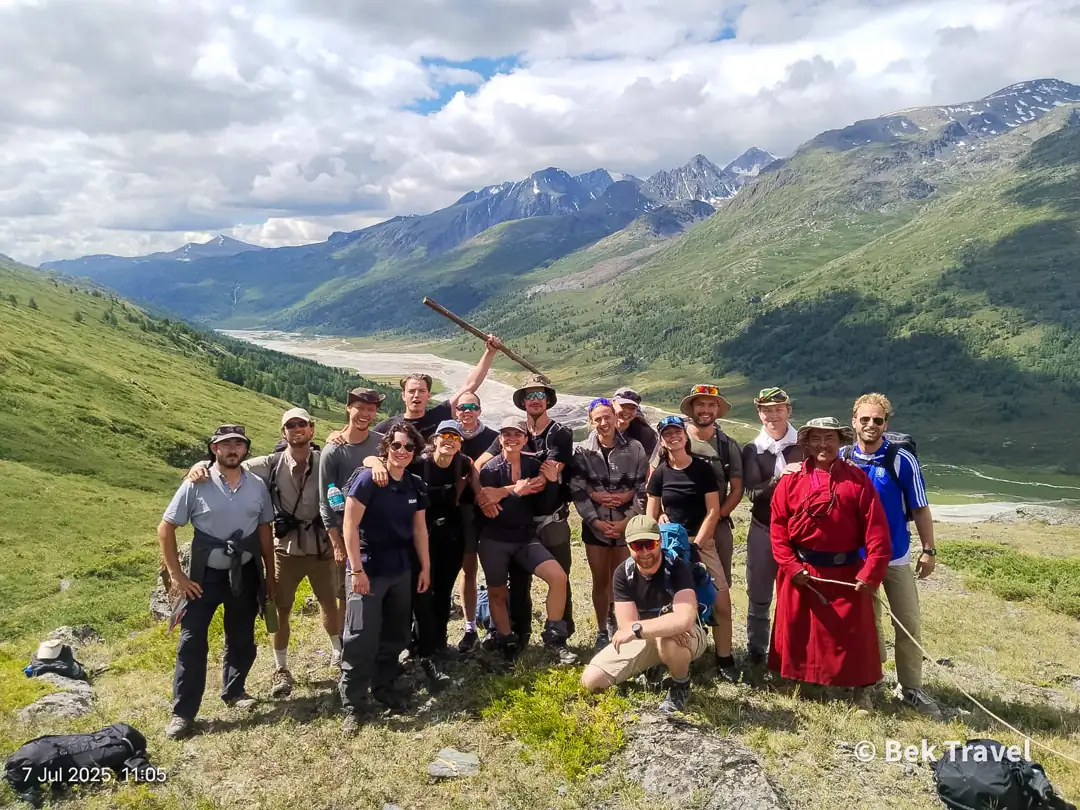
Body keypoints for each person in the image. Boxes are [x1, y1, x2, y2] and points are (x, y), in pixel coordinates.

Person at [185, 408, 337, 699]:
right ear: (283, 432)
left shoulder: (325, 460)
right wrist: (201, 464)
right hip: (286, 548)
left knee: (330, 602)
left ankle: (337, 653)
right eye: (290, 425)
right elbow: (230, 465)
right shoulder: (270, 463)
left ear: (312, 429)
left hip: (321, 546)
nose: (296, 429)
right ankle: (281, 668)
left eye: (302, 424)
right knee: (280, 608)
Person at [159, 425, 275, 740]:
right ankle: (183, 714)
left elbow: (265, 531)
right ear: (214, 449)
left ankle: (235, 692)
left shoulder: (257, 486)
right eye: (226, 444)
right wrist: (177, 576)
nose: (233, 449)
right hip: (203, 577)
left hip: (245, 573)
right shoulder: (195, 484)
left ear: (246, 450)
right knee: (191, 642)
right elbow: (166, 528)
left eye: (239, 443)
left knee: (242, 637)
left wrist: (270, 575)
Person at [769, 417, 892, 709]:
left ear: (841, 442)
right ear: (807, 443)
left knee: (853, 635)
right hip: (801, 571)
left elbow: (877, 531)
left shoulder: (857, 479)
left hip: (847, 573)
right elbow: (778, 529)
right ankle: (804, 682)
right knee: (801, 630)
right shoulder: (791, 480)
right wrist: (791, 566)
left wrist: (870, 573)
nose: (823, 445)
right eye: (816, 439)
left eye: (830, 439)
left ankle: (860, 691)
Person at [845, 393, 941, 717]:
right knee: (864, 626)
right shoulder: (843, 459)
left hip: (896, 557)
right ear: (853, 421)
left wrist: (928, 550)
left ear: (886, 423)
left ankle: (911, 689)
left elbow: (920, 508)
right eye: (865, 419)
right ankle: (866, 688)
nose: (871, 425)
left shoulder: (902, 460)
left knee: (908, 624)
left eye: (878, 420)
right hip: (857, 560)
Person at [362, 419, 471, 689]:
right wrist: (375, 463)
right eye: (444, 435)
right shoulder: (417, 462)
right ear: (434, 439)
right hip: (420, 539)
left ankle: (437, 646)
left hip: (450, 538)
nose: (449, 440)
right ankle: (420, 649)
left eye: (455, 437)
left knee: (443, 594)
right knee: (421, 596)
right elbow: (377, 460)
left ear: (460, 444)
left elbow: (472, 495)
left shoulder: (464, 464)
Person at [339, 423, 431, 734]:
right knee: (360, 637)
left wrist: (426, 567)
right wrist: (356, 571)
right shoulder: (367, 479)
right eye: (396, 446)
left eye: (409, 447)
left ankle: (384, 688)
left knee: (394, 633)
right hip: (368, 568)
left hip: (401, 569)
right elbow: (349, 526)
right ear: (386, 448)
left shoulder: (414, 484)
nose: (402, 452)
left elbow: (419, 529)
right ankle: (353, 703)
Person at [476, 374, 576, 648]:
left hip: (549, 516)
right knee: (519, 583)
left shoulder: (560, 433)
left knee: (559, 575)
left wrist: (502, 491)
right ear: (522, 401)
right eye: (528, 395)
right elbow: (479, 467)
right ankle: (518, 636)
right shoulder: (515, 432)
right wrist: (483, 493)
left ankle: (559, 637)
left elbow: (544, 479)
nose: (534, 400)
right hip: (518, 523)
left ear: (548, 400)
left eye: (539, 395)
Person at [581, 515, 709, 715]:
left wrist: (646, 628)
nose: (644, 552)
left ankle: (680, 685)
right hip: (646, 637)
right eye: (637, 545)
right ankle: (652, 669)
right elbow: (626, 624)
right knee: (592, 680)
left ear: (660, 541)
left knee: (669, 640)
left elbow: (684, 620)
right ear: (628, 545)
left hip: (689, 636)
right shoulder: (623, 573)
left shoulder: (677, 568)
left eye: (650, 544)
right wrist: (664, 625)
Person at [646, 415, 737, 682]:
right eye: (667, 434)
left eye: (677, 432)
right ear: (662, 440)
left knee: (722, 602)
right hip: (670, 544)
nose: (673, 437)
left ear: (685, 437)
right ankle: (662, 656)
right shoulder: (660, 472)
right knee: (664, 602)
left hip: (702, 541)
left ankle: (725, 658)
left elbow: (713, 511)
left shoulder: (702, 470)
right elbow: (651, 513)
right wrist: (661, 519)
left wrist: (697, 544)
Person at [570, 397, 649, 651]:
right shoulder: (582, 451)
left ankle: (620, 624)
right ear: (591, 422)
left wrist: (628, 520)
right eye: (598, 419)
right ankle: (602, 629)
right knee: (599, 580)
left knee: (621, 579)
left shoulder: (635, 448)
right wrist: (595, 521)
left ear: (616, 418)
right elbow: (578, 490)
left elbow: (642, 488)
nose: (604, 423)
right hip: (596, 527)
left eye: (607, 417)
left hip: (627, 524)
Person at [319, 387, 386, 664]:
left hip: (380, 533)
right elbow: (325, 501)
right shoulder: (333, 450)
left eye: (371, 409)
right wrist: (337, 543)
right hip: (348, 536)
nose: (366, 414)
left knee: (379, 588)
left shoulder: (382, 441)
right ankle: (349, 648)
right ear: (349, 408)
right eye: (361, 408)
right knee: (348, 594)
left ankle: (378, 645)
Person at [740, 387, 805, 667]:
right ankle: (756, 653)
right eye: (767, 410)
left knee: (798, 593)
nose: (772, 415)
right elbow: (752, 494)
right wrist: (780, 479)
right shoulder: (752, 450)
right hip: (764, 526)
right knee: (759, 591)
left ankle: (792, 654)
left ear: (789, 411)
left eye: (778, 409)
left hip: (800, 532)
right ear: (759, 412)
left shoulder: (805, 444)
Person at [675, 384, 744, 589]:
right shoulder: (674, 437)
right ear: (691, 408)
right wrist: (660, 513)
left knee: (719, 587)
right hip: (676, 525)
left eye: (711, 405)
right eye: (700, 404)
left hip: (718, 526)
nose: (705, 410)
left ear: (717, 410)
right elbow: (654, 479)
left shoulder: (728, 445)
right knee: (674, 585)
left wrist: (718, 518)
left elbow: (737, 488)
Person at [372, 335, 504, 440]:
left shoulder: (439, 415)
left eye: (422, 391)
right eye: (411, 391)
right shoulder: (387, 427)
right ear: (403, 395)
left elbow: (470, 386)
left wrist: (490, 352)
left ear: (428, 395)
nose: (416, 395)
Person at [453, 392, 499, 653]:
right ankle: (470, 626)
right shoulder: (448, 436)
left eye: (472, 407)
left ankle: (496, 622)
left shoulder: (493, 437)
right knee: (468, 570)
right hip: (462, 514)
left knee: (495, 570)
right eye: (462, 407)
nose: (467, 411)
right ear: (456, 411)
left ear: (480, 411)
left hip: (491, 509)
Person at [612, 387, 658, 457]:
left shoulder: (645, 434)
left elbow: (651, 462)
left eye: (632, 408)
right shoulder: (603, 427)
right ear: (613, 404)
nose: (627, 411)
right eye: (623, 406)